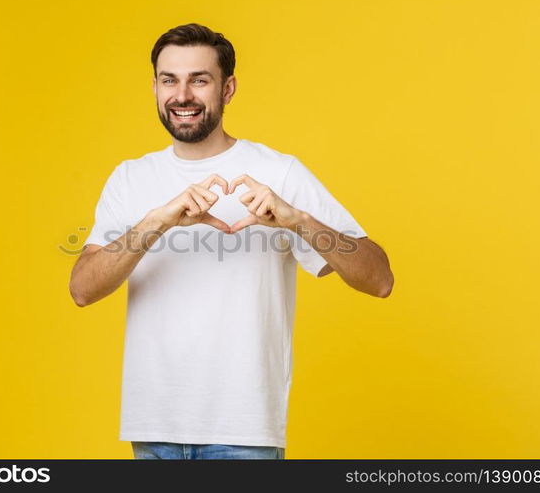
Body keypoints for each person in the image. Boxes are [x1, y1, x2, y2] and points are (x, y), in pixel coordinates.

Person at [69, 23, 394, 460]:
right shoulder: (131, 179)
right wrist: (156, 223)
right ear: (155, 86)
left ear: (228, 88)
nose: (182, 95)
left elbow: (379, 279)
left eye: (199, 80)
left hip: (244, 433)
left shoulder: (279, 173)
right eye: (170, 79)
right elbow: (82, 289)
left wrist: (297, 220)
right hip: (153, 430)